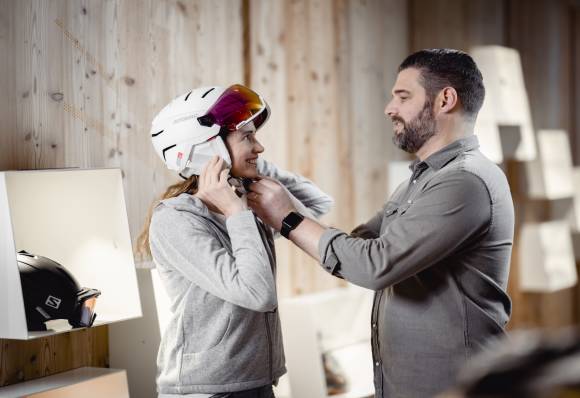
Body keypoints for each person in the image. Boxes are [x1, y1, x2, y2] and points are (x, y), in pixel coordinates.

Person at [246, 49, 515, 397]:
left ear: (445, 99)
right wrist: (285, 204)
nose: (390, 108)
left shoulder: (464, 183)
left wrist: (287, 218)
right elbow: (359, 247)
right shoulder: (418, 183)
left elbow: (374, 265)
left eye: (403, 97)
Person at [137, 84, 333, 398]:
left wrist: (260, 184)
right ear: (205, 146)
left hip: (252, 383)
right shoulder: (177, 219)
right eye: (247, 137)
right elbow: (258, 294)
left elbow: (319, 209)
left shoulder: (244, 203)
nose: (259, 148)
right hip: (209, 390)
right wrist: (235, 211)